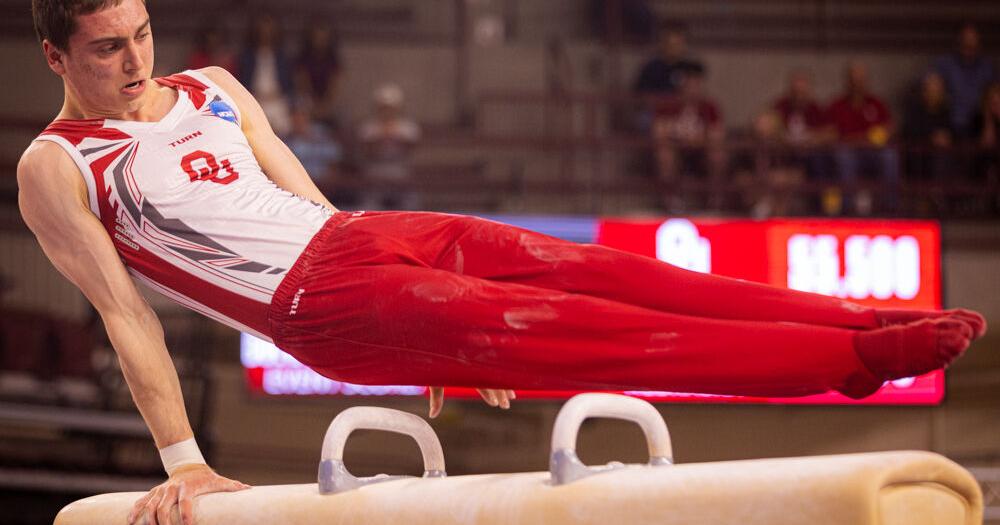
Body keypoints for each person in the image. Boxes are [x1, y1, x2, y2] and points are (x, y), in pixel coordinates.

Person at [20, 1, 986, 523]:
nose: (138, 60)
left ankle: (855, 323)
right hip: (322, 309)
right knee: (607, 338)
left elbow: (303, 201)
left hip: (361, 237)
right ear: (58, 56)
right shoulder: (58, 165)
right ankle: (853, 364)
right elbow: (124, 311)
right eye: (108, 48)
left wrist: (427, 342)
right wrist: (185, 464)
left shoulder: (215, 86)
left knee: (613, 274)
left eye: (144, 32)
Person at [827, 62, 900, 215]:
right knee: (843, 156)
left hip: (873, 152)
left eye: (861, 80)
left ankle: (891, 207)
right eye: (854, 81)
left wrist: (873, 138)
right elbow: (832, 135)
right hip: (849, 152)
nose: (858, 84)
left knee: (889, 155)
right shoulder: (837, 106)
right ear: (847, 82)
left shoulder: (877, 104)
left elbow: (889, 129)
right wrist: (862, 138)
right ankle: (848, 208)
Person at [650, 65, 726, 210]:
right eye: (689, 84)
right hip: (677, 148)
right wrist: (681, 139)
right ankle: (670, 199)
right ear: (682, 85)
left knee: (717, 154)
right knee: (664, 154)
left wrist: (698, 140)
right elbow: (658, 131)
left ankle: (714, 198)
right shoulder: (668, 105)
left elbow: (717, 134)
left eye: (696, 84)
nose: (692, 89)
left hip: (701, 149)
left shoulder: (709, 107)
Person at [357, 83, 421, 210]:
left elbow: (411, 147)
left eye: (391, 107)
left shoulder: (408, 127)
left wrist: (392, 135)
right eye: (384, 107)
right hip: (375, 171)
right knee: (369, 205)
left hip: (400, 171)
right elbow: (366, 150)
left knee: (411, 204)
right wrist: (383, 137)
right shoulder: (368, 127)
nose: (387, 111)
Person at [933, 23, 996, 140]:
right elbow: (931, 91)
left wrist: (989, 124)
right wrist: (938, 126)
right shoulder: (945, 64)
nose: (969, 45)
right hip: (949, 121)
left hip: (979, 123)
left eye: (972, 41)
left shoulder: (987, 67)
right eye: (965, 41)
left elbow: (993, 96)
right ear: (958, 41)